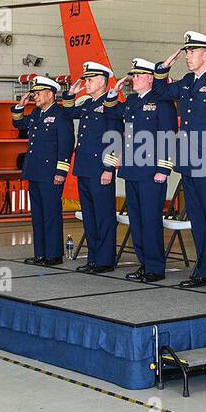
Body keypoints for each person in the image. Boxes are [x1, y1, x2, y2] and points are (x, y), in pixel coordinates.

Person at [152, 32, 206, 291]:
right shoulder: (188, 82)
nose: (187, 56)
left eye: (192, 52)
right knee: (198, 220)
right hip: (190, 162)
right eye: (187, 52)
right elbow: (160, 93)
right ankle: (205, 271)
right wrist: (163, 69)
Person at [115, 58, 177, 282]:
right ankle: (144, 263)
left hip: (152, 172)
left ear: (151, 79)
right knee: (137, 220)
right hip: (132, 170)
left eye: (138, 76)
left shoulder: (162, 101)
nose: (133, 80)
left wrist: (164, 168)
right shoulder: (131, 102)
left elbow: (168, 136)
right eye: (133, 76)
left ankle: (155, 268)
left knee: (150, 220)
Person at [63, 61, 121, 274]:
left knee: (103, 216)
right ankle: (94, 258)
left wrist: (109, 168)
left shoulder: (110, 104)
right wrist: (70, 94)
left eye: (90, 79)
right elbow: (68, 114)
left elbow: (115, 138)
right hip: (85, 167)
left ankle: (105, 260)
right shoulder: (87, 104)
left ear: (102, 81)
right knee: (89, 216)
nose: (86, 82)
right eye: (86, 79)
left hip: (100, 169)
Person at [13, 76, 74, 266]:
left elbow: (66, 145)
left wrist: (61, 172)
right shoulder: (36, 114)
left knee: (51, 215)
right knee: (38, 216)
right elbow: (18, 124)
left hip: (50, 174)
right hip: (35, 171)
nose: (35, 97)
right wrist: (20, 107)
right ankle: (40, 253)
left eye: (38, 94)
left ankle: (54, 255)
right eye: (34, 94)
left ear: (50, 94)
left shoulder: (61, 115)